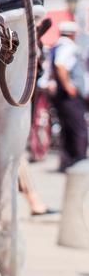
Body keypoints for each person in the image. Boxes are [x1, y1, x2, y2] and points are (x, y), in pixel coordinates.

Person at [51, 20, 88, 171]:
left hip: (61, 96)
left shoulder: (57, 46)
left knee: (67, 128)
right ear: (72, 34)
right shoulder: (68, 47)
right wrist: (69, 86)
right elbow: (61, 65)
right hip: (68, 96)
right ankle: (79, 161)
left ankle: (67, 162)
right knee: (79, 128)